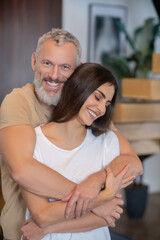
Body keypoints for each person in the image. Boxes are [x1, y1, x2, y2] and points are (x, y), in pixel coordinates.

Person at [0, 28, 143, 240]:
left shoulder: (91, 111)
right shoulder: (19, 103)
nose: (54, 75)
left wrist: (95, 182)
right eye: (47, 63)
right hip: (23, 231)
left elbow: (132, 162)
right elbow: (22, 171)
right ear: (34, 61)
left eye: (65, 67)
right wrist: (97, 199)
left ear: (77, 71)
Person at [21, 62, 131, 240]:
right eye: (97, 97)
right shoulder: (34, 141)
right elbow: (41, 215)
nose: (102, 109)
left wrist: (47, 229)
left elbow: (108, 217)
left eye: (107, 103)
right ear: (77, 88)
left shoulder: (107, 140)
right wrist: (101, 200)